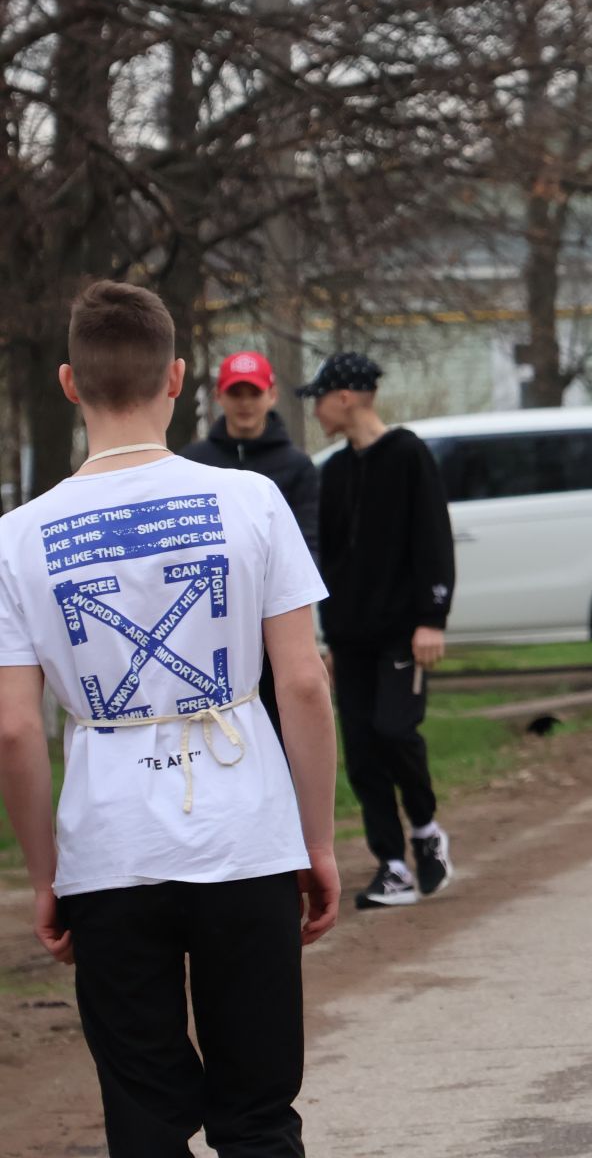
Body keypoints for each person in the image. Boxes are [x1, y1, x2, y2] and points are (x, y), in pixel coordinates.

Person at [0, 281, 339, 1153]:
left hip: (109, 851)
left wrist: (47, 876)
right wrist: (320, 843)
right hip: (247, 837)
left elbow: (14, 730)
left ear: (70, 384)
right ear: (180, 379)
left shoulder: (18, 537)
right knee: (259, 1115)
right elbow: (303, 685)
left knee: (143, 1124)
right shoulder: (252, 503)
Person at [300, 352, 457, 911]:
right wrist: (326, 636)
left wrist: (431, 619)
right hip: (350, 637)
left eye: (318, 396)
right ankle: (391, 866)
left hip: (402, 632)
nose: (315, 408)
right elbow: (327, 561)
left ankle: (425, 830)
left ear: (345, 396)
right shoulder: (334, 472)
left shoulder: (409, 454)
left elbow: (433, 538)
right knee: (362, 750)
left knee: (396, 731)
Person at [183, 350, 321, 729]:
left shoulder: (296, 466)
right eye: (236, 392)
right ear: (219, 396)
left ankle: (288, 787)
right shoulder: (193, 462)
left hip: (274, 619)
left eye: (253, 393)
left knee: (281, 716)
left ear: (271, 395)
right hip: (208, 620)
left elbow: (308, 544)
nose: (245, 403)